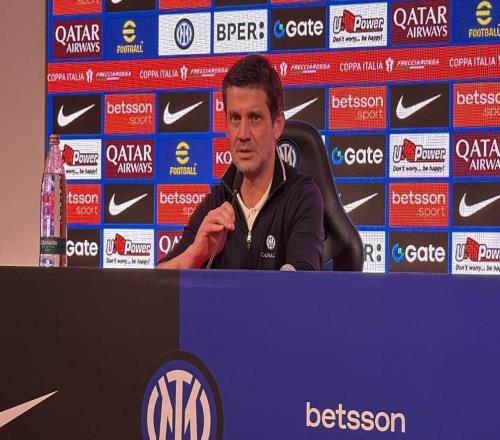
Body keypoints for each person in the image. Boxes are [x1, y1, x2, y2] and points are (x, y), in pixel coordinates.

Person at [157, 54, 324, 270]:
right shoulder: (218, 201)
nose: (243, 134)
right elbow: (158, 281)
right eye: (235, 118)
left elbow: (304, 284)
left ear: (277, 125)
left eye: (254, 118)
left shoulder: (303, 197)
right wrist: (196, 253)